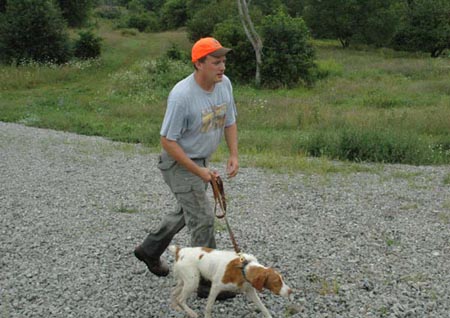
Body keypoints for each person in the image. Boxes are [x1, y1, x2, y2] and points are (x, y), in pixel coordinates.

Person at [134, 37, 239, 297]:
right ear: (198, 63)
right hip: (179, 163)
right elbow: (167, 140)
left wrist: (233, 154)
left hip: (200, 161)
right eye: (216, 62)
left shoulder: (224, 84)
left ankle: (149, 249)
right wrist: (199, 171)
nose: (222, 66)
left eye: (223, 60)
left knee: (187, 211)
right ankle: (205, 282)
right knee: (202, 217)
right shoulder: (181, 96)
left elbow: (230, 121)